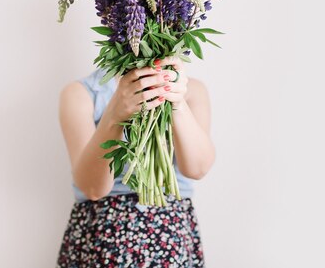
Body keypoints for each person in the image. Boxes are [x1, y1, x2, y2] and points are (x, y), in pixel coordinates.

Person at [55, 56, 215, 267]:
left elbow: (198, 169)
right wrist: (115, 114)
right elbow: (92, 188)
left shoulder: (191, 90)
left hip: (172, 232)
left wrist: (176, 102)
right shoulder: (82, 93)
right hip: (104, 235)